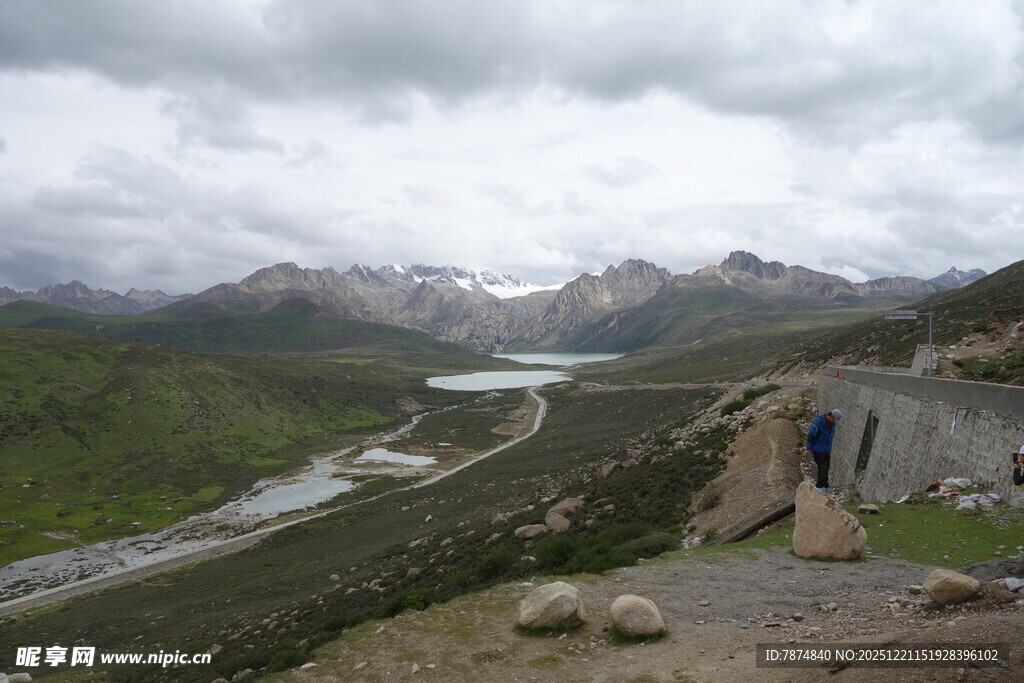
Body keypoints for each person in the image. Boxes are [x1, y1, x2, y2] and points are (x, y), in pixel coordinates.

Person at [805, 408, 843, 494]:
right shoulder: (818, 423)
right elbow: (811, 435)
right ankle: (819, 486)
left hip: (825, 449)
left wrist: (829, 447)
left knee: (827, 467)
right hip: (818, 449)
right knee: (823, 467)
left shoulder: (831, 424)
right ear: (830, 416)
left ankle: (825, 485)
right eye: (834, 419)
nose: (834, 421)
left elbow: (830, 437)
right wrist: (809, 448)